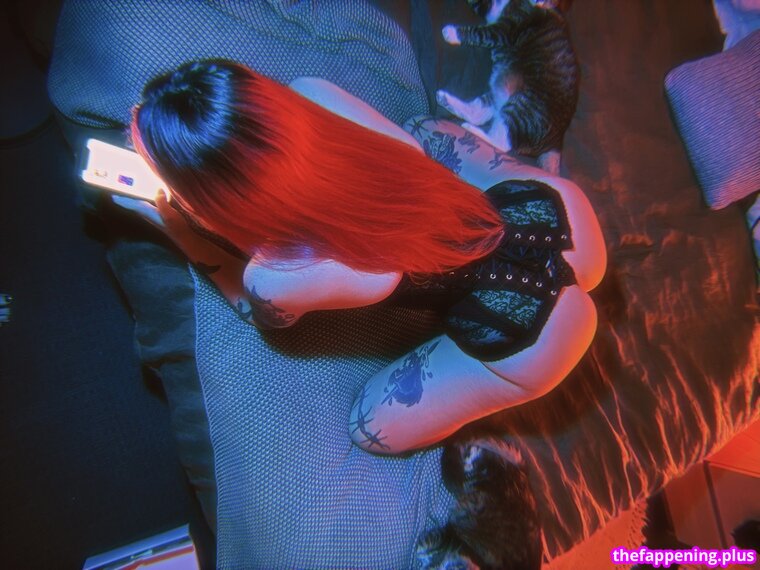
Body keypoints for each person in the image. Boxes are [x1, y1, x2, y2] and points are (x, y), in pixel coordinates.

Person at [116, 60, 606, 456]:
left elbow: (258, 312)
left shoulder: (279, 275)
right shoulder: (313, 91)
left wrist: (173, 223)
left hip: (536, 341)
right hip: (556, 213)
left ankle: (509, 374)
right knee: (421, 132)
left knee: (368, 428)